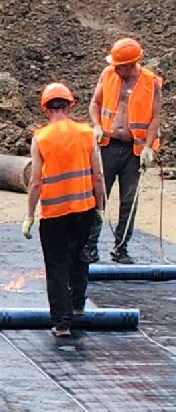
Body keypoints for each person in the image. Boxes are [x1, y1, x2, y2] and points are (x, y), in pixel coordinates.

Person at [24, 83, 106, 338]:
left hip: (53, 214)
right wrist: (100, 208)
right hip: (84, 210)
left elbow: (36, 181)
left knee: (56, 266)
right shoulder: (87, 133)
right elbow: (99, 175)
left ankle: (62, 323)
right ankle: (78, 306)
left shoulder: (41, 138)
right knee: (79, 257)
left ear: (46, 109)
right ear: (71, 106)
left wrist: (29, 215)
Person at [84, 37, 162, 265]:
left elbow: (155, 117)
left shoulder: (151, 82)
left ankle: (121, 248)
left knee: (129, 200)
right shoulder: (108, 75)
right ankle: (90, 247)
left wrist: (148, 147)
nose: (115, 68)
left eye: (119, 65)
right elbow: (94, 104)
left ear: (131, 64)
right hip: (108, 146)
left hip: (133, 151)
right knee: (98, 196)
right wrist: (97, 126)